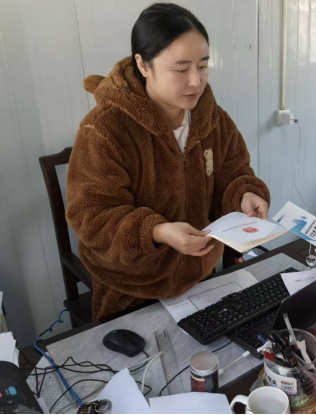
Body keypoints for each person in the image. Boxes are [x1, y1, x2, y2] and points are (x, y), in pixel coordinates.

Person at [66, 3, 270, 320]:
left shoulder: (212, 120)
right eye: (181, 69)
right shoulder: (105, 129)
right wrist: (158, 232)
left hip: (201, 277)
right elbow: (92, 216)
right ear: (143, 65)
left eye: (203, 66)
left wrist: (244, 194)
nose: (196, 81)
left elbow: (234, 172)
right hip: (132, 291)